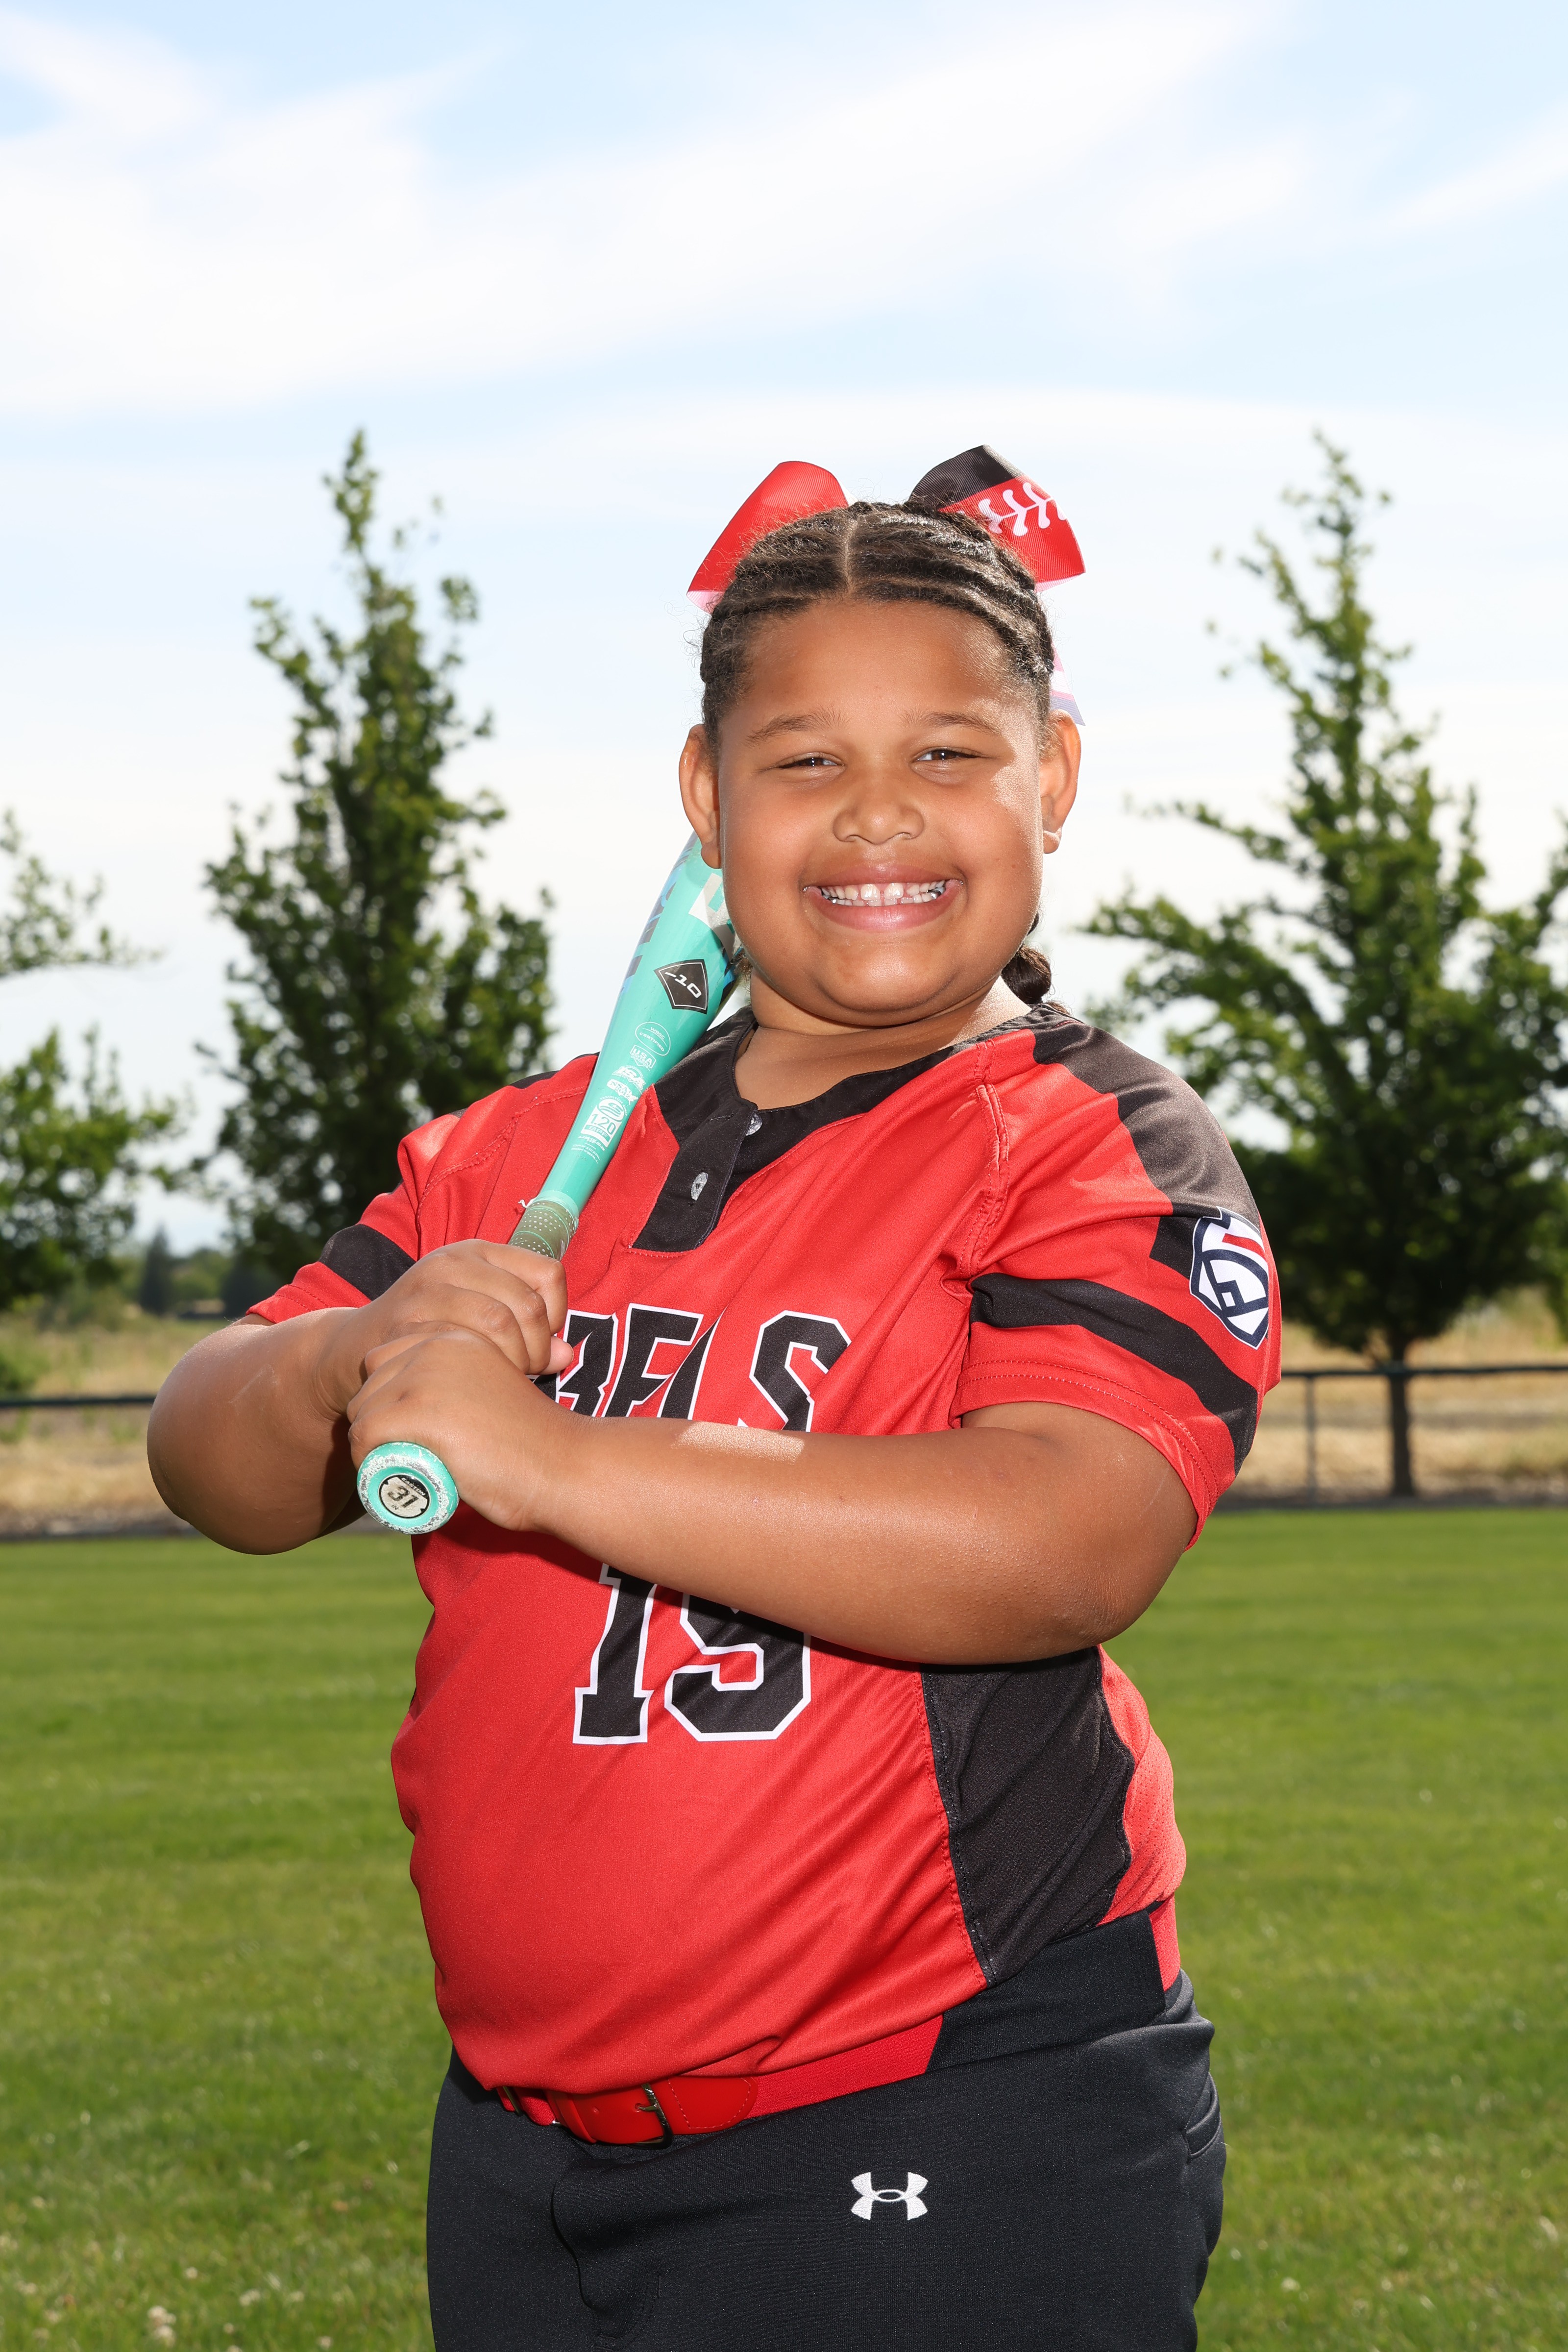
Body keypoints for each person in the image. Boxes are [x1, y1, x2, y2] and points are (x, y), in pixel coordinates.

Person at [150, 490, 1280, 2351]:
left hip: (945, 2101)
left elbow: (1065, 1538)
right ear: (707, 795)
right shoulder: (521, 1153)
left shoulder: (1091, 1142)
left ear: (1056, 779)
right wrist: (346, 1362)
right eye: (805, 759)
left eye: (949, 753)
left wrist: (547, 1455)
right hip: (524, 2143)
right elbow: (214, 1458)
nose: (878, 813)